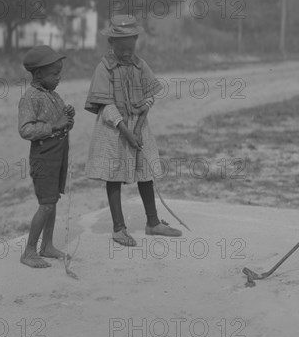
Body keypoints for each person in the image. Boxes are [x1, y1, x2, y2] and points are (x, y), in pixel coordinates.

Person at [84, 14, 182, 247]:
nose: (128, 52)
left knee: (145, 172)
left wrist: (137, 128)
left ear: (136, 41)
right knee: (114, 175)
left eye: (131, 47)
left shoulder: (140, 65)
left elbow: (149, 97)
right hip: (113, 130)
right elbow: (106, 106)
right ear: (111, 44)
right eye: (122, 48)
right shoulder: (104, 68)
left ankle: (153, 223)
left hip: (139, 127)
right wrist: (126, 131)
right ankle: (119, 229)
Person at [18, 45, 75, 268]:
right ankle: (29, 251)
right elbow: (25, 130)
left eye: (59, 73)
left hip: (58, 156)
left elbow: (64, 125)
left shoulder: (54, 96)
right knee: (46, 204)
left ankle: (47, 246)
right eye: (54, 73)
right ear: (39, 74)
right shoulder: (30, 98)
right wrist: (53, 126)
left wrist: (68, 117)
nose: (59, 78)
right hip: (43, 157)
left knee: (52, 201)